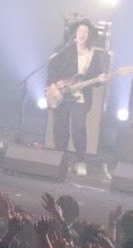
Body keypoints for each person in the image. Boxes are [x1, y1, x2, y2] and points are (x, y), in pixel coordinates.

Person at [45, 20, 108, 178]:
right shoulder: (65, 50)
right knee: (60, 127)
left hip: (81, 97)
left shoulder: (93, 55)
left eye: (85, 32)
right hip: (61, 94)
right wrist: (53, 85)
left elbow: (95, 80)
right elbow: (52, 67)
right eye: (80, 31)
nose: (82, 34)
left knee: (79, 126)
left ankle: (80, 161)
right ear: (75, 33)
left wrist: (100, 80)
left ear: (89, 35)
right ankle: (61, 160)